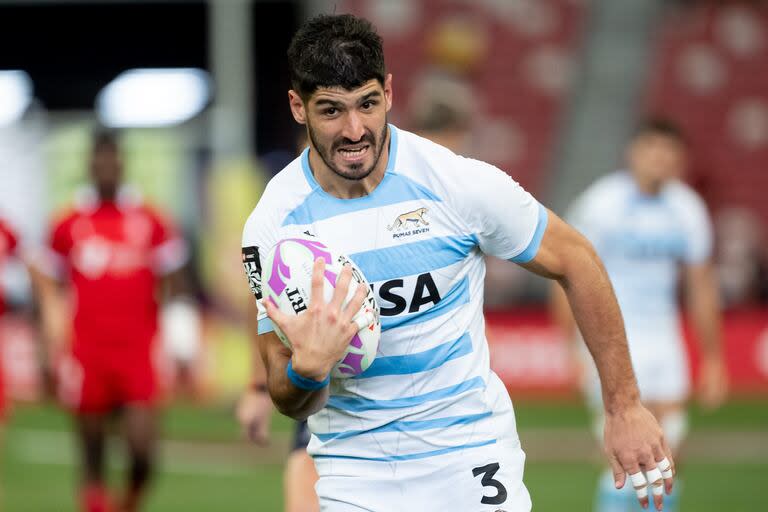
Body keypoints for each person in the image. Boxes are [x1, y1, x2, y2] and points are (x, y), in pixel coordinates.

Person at [241, 14, 675, 511]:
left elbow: (576, 258)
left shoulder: (456, 183)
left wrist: (623, 406)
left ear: (389, 91)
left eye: (368, 103)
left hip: (468, 454)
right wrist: (307, 371)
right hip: (353, 471)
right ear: (298, 106)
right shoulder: (273, 228)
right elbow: (284, 389)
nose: (355, 129)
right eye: (331, 111)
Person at [551, 118, 727, 512]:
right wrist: (569, 346)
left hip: (663, 336)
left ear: (680, 158)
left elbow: (701, 286)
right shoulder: (601, 203)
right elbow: (563, 272)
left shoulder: (687, 208)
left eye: (668, 151)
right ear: (634, 153)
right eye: (652, 149)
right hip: (611, 336)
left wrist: (714, 358)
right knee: (620, 447)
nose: (659, 159)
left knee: (668, 445)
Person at [34, 129, 190, 512]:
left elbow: (176, 282)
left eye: (112, 158)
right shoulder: (68, 223)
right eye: (98, 159)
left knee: (142, 451)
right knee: (92, 454)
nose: (105, 166)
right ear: (89, 164)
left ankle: (129, 502)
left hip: (138, 350)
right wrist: (47, 344)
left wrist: (183, 339)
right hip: (86, 351)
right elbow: (48, 287)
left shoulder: (149, 220)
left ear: (121, 162)